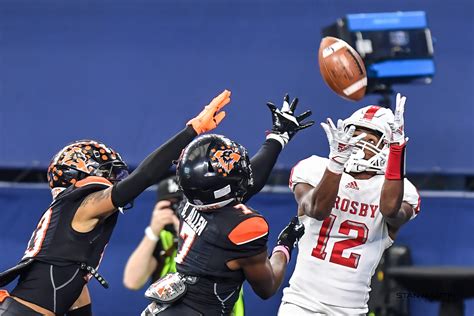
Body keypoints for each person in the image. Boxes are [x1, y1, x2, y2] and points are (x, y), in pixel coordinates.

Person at [0, 90, 233, 316]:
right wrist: (193, 129)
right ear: (82, 173)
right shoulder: (82, 203)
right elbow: (143, 177)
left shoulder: (68, 225)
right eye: (110, 173)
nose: (116, 181)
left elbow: (72, 286)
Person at [141, 94, 314, 316]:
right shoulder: (243, 227)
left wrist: (278, 137)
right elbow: (267, 287)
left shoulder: (191, 197)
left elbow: (243, 184)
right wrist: (285, 245)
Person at [279, 93, 421, 315]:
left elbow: (390, 211)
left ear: (386, 147)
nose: (358, 144)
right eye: (355, 135)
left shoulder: (397, 191)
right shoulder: (315, 169)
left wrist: (397, 152)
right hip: (301, 304)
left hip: (352, 310)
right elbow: (316, 210)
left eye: (370, 140)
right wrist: (335, 165)